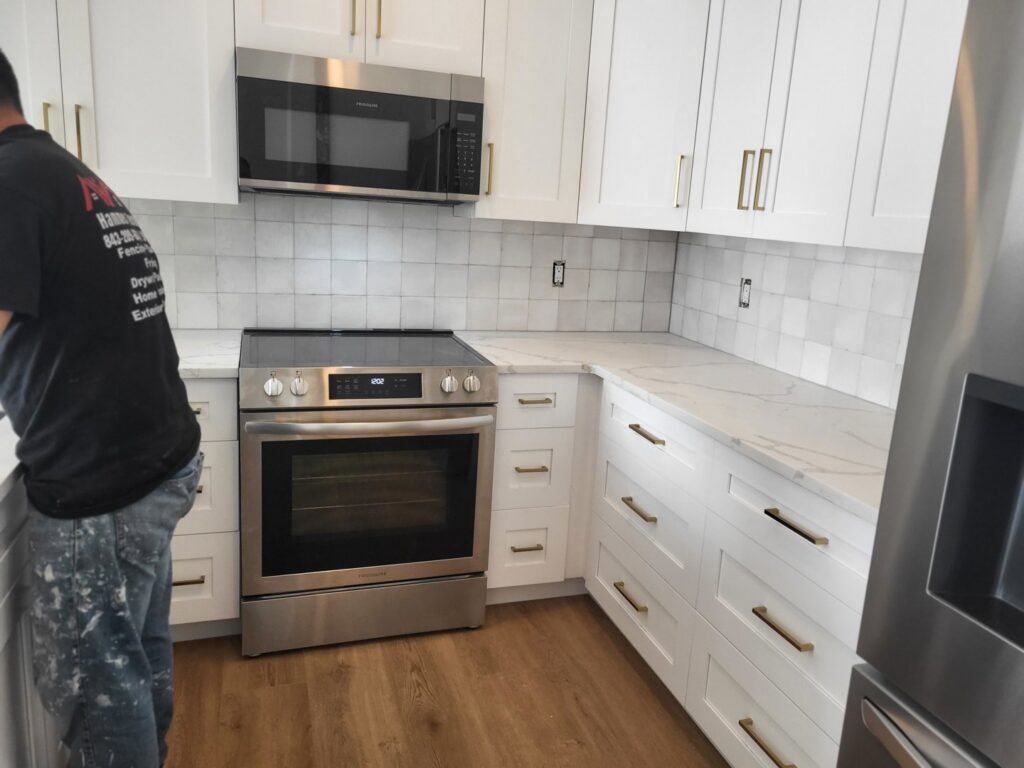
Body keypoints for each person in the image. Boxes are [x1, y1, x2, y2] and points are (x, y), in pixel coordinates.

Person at [0, 49, 202, 767]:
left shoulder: (8, 182)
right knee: (136, 656)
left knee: (98, 686)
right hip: (153, 462)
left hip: (101, 488)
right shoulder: (63, 172)